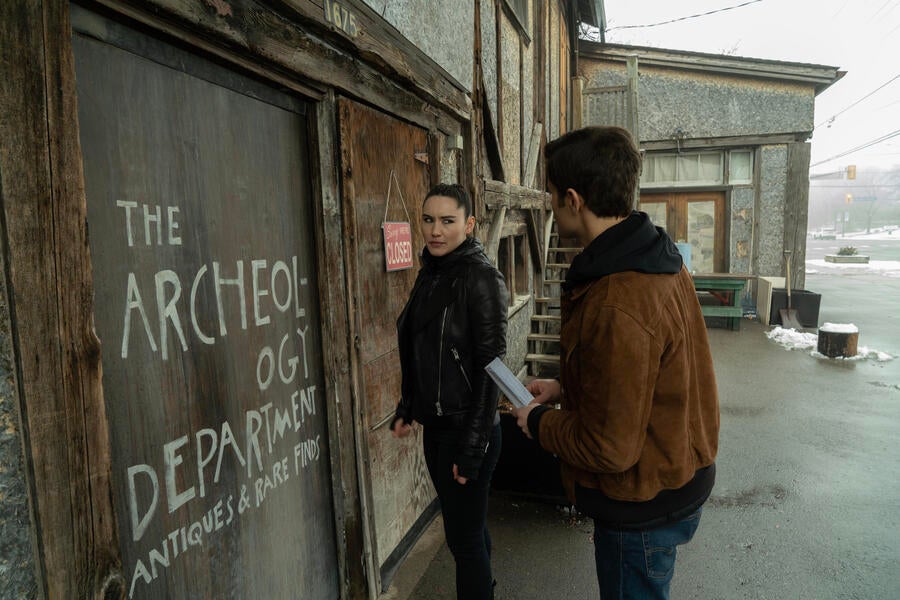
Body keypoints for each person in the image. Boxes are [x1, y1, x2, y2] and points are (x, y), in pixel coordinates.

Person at [512, 126, 719, 599]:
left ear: (572, 199)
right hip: (674, 477)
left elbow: (608, 448)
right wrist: (564, 386)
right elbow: (651, 370)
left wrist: (539, 422)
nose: (548, 204)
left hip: (642, 503)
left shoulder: (617, 298)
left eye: (550, 193)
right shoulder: (655, 257)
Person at [391, 183, 508, 600]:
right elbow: (420, 346)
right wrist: (408, 404)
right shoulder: (431, 273)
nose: (435, 231)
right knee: (469, 529)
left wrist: (472, 447)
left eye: (447, 221)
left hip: (468, 431)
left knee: (463, 541)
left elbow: (491, 369)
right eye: (428, 220)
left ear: (469, 224)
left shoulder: (481, 279)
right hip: (438, 428)